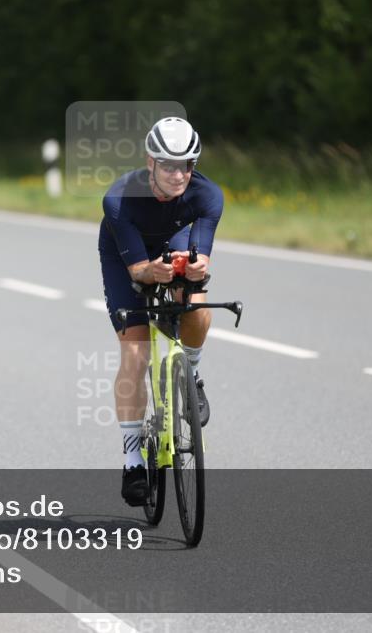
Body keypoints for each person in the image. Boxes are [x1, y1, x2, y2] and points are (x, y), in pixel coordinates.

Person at [97, 117, 223, 506]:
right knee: (136, 353)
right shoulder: (119, 198)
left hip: (175, 240)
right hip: (125, 256)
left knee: (196, 304)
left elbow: (201, 255)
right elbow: (138, 271)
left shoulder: (208, 196)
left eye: (187, 164)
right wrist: (152, 271)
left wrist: (197, 266)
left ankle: (193, 374)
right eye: (169, 164)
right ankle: (133, 458)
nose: (179, 174)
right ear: (150, 162)